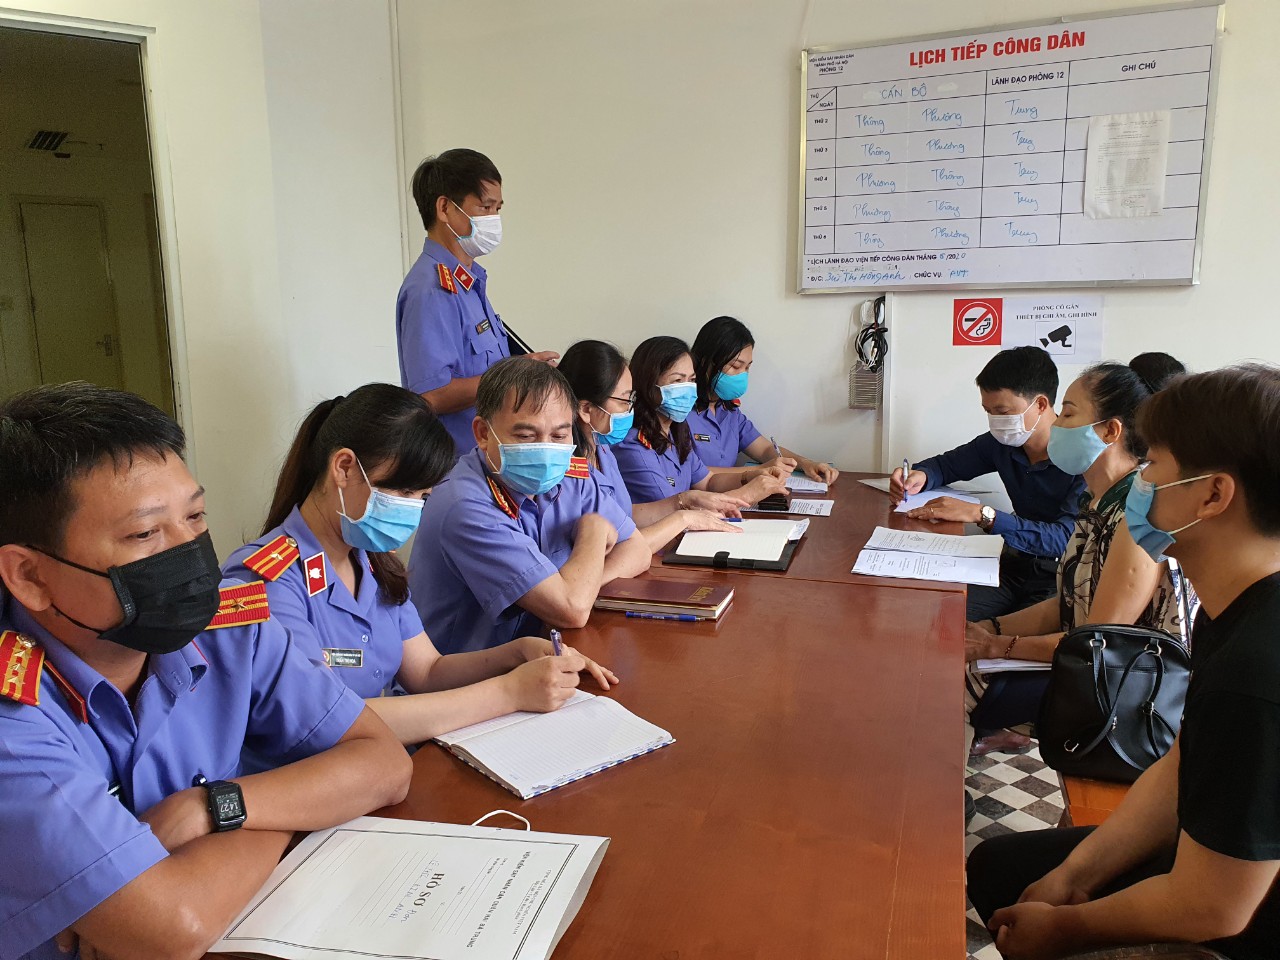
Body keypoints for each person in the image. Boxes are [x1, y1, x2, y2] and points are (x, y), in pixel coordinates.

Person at [0, 383, 410, 960]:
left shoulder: (229, 628)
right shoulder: (12, 716)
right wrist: (287, 808)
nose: (190, 557)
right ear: (30, 576)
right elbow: (172, 928)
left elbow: (386, 765)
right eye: (145, 534)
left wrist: (213, 807)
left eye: (195, 517)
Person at [967, 363, 1280, 960]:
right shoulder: (1233, 609)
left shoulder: (1256, 674)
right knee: (1002, 869)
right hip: (1217, 862)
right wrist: (1071, 878)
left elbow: (1214, 906)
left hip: (1242, 912)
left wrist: (1067, 926)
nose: (1141, 480)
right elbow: (1180, 766)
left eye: (1154, 464)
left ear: (1214, 495)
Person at [223, 384, 618, 747]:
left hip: (381, 760)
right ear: (343, 468)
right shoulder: (266, 581)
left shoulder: (369, 561)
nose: (411, 509)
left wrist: (517, 654)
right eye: (403, 491)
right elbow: (329, 719)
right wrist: (509, 692)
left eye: (422, 497)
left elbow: (427, 671)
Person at [962, 356, 1194, 757]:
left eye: (1068, 414)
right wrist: (988, 627)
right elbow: (1068, 603)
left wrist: (995, 646)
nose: (1055, 425)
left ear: (1110, 431)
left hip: (1120, 691)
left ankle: (924, 795)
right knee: (950, 653)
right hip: (1081, 663)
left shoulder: (1135, 516)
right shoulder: (1095, 501)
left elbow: (1097, 645)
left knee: (953, 680)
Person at [409, 357, 651, 655]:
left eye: (559, 435)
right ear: (483, 433)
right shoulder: (464, 504)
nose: (547, 449)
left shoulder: (571, 475)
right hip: (473, 675)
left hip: (543, 656)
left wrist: (583, 585)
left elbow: (637, 550)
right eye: (526, 436)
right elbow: (572, 610)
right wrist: (594, 531)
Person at [891, 346, 1086, 622]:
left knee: (1002, 639)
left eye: (1002, 411)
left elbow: (1064, 539)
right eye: (988, 411)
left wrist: (983, 515)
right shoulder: (1001, 444)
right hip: (1010, 565)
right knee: (942, 620)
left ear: (1041, 405)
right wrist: (919, 476)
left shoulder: (1082, 458)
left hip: (1057, 577)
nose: (996, 420)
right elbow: (947, 465)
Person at [396, 148, 558, 455]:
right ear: (445, 208)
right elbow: (432, 394)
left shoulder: (468, 282)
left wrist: (522, 368)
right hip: (457, 462)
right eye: (485, 207)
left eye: (498, 208)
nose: (494, 219)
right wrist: (511, 377)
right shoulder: (431, 289)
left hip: (490, 457)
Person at [558, 340, 746, 551]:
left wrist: (685, 501)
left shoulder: (602, 450)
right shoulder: (567, 471)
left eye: (631, 398)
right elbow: (612, 549)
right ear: (585, 409)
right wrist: (683, 517)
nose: (630, 408)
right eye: (624, 400)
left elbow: (625, 516)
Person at [612, 336, 790, 507]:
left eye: (692, 380)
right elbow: (674, 510)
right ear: (649, 385)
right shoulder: (633, 445)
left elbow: (708, 481)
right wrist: (746, 494)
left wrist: (752, 476)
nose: (688, 389)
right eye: (678, 380)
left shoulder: (674, 432)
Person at [687, 315, 840, 484]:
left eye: (747, 367)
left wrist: (805, 463)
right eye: (736, 366)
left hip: (731, 497)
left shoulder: (729, 411)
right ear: (706, 362)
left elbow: (765, 449)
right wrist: (759, 470)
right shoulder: (681, 410)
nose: (742, 375)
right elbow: (691, 472)